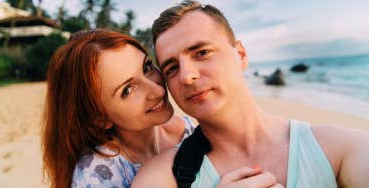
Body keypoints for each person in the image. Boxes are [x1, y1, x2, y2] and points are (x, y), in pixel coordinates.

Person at [132, 1, 369, 187]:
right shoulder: (162, 177)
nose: (186, 76)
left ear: (241, 55)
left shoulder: (337, 148)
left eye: (202, 53)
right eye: (172, 68)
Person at [42, 29, 196, 188]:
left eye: (147, 67)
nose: (159, 91)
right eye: (127, 90)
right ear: (99, 117)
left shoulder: (188, 130)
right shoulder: (97, 178)